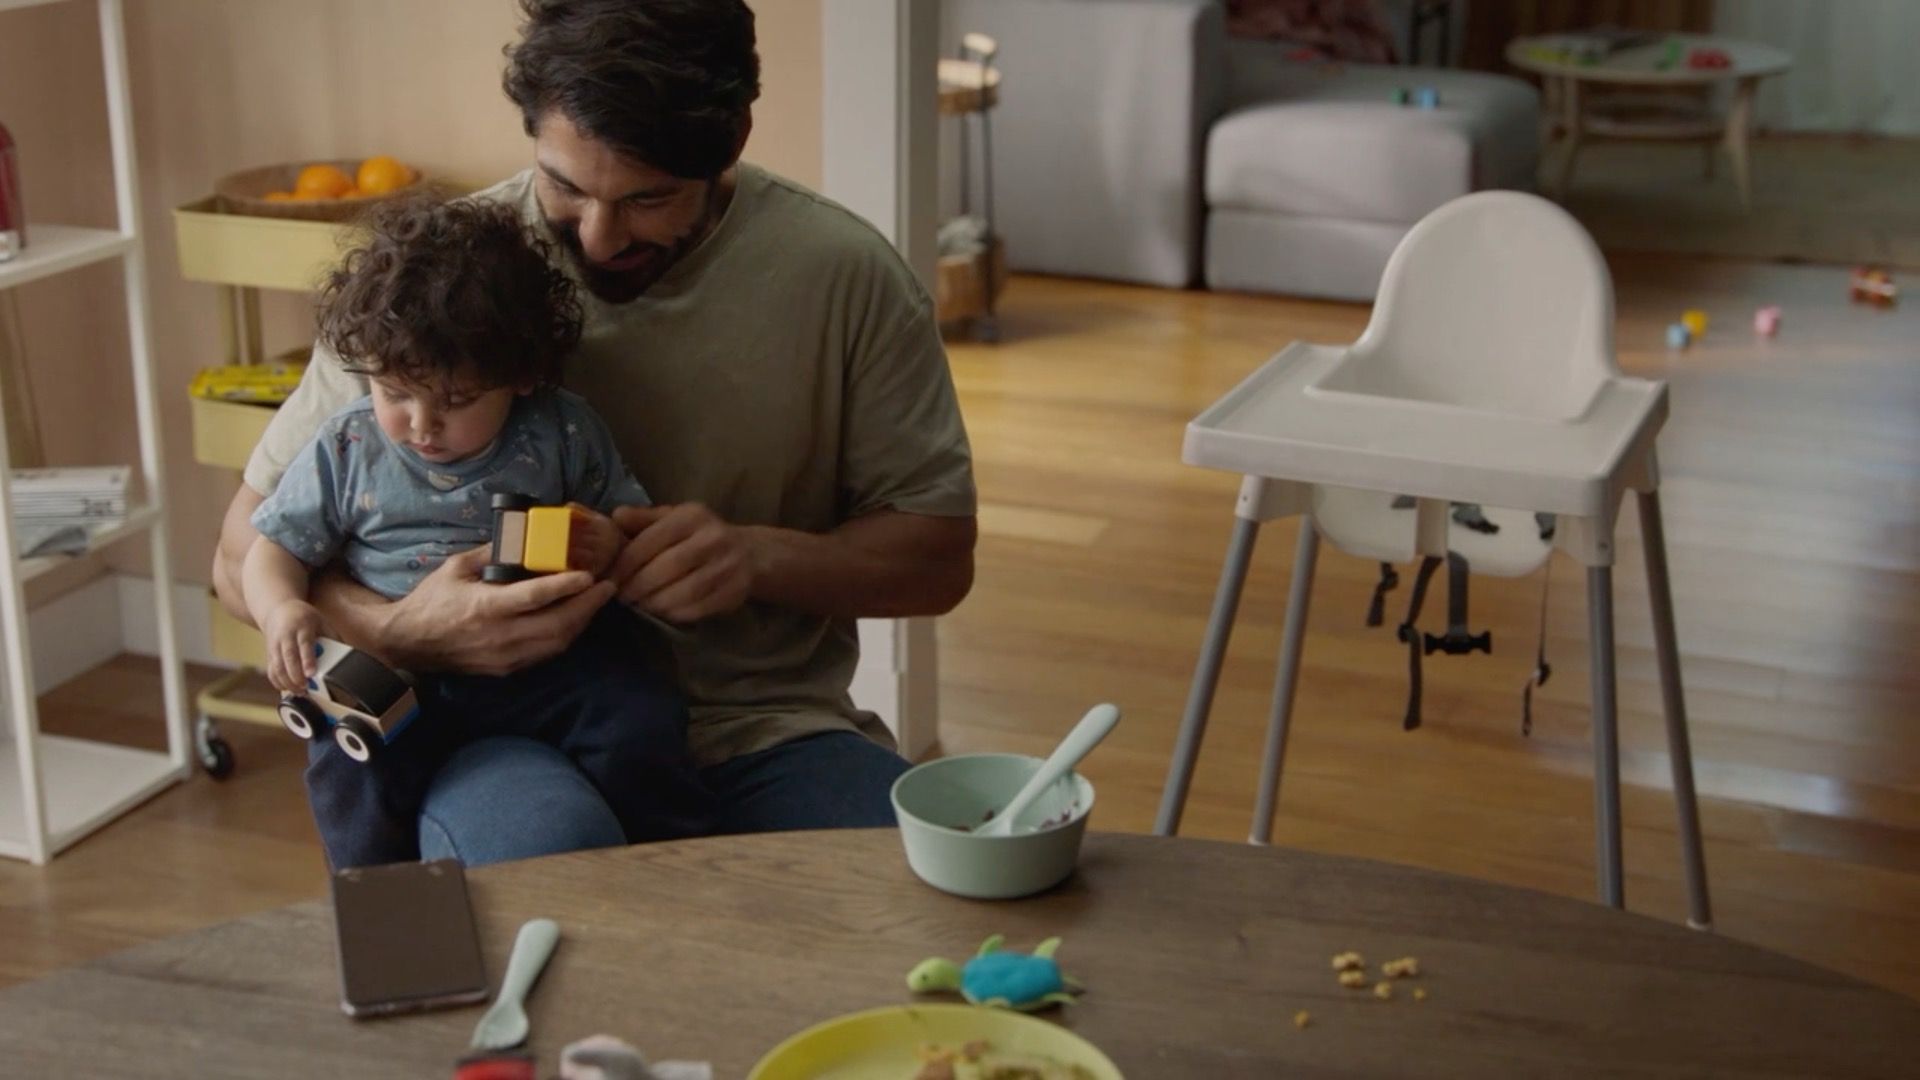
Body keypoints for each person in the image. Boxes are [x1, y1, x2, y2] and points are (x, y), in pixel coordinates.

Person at [210, 0, 977, 864]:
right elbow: (238, 557)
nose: (600, 238)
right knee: (558, 852)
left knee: (926, 880)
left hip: (764, 728)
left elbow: (940, 561)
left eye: (648, 198)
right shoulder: (434, 289)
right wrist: (394, 631)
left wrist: (756, 558)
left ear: (733, 139)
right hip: (497, 737)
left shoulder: (848, 279)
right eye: (565, 187)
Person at [243, 196, 714, 869]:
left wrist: (607, 545)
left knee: (640, 720)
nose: (421, 425)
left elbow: (626, 530)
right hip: (402, 672)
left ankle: (676, 870)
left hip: (553, 662)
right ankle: (383, 905)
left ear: (521, 375)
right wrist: (282, 609)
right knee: (351, 766)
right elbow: (273, 549)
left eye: (457, 401)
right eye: (395, 394)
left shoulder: (560, 430)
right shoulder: (348, 446)